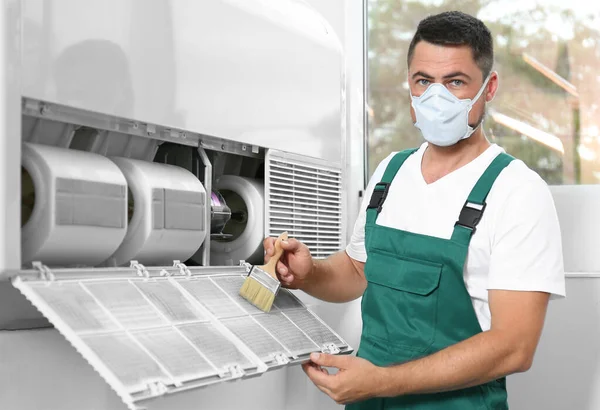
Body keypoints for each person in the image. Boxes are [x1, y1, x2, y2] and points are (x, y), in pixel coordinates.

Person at [263, 10, 565, 410]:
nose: (436, 97)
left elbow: (514, 347)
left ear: (488, 88)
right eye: (424, 81)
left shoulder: (518, 192)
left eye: (455, 82)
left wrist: (382, 382)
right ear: (410, 85)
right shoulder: (391, 171)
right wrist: (310, 273)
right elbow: (357, 272)